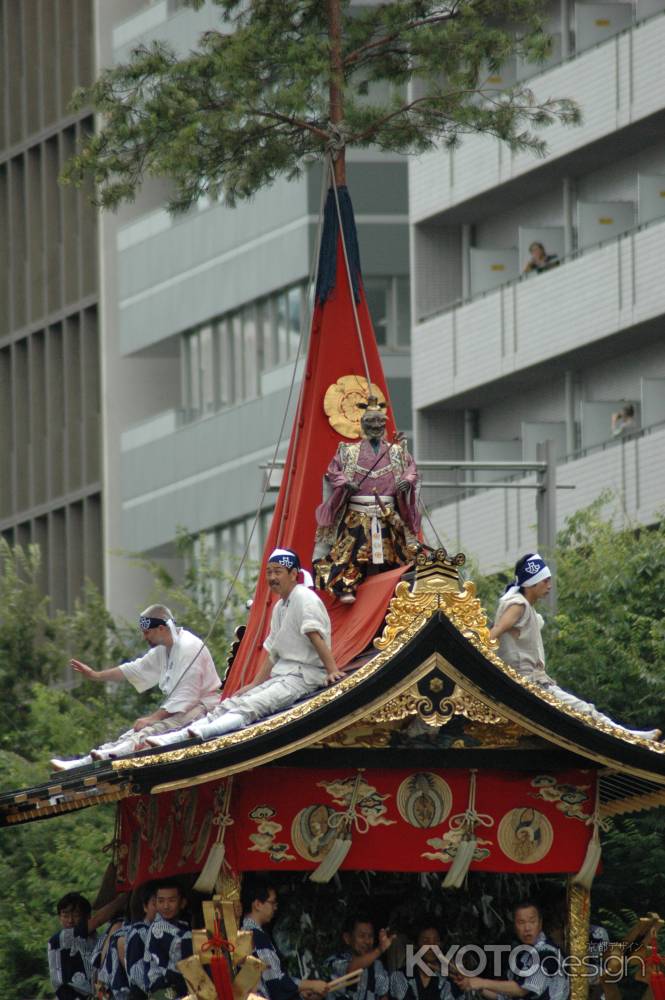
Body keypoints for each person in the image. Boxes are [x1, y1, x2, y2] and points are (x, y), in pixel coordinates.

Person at [147, 550, 343, 747]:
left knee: (254, 705)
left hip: (304, 676)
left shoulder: (303, 597)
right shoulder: (280, 606)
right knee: (231, 703)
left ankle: (203, 732)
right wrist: (255, 684)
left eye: (278, 572)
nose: (272, 577)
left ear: (293, 574)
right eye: (269, 572)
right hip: (284, 674)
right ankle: (176, 737)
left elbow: (315, 635)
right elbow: (274, 652)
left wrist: (331, 670)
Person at [490, 554, 661, 741]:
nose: (549, 585)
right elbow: (496, 630)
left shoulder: (524, 606)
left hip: (533, 682)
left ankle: (627, 735)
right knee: (583, 711)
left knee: (583, 711)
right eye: (545, 581)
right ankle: (630, 737)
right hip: (529, 684)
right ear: (532, 583)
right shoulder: (518, 605)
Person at [50, 604, 221, 770]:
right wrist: (96, 675)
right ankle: (90, 760)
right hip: (182, 708)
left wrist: (153, 717)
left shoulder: (188, 646)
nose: (145, 637)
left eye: (147, 632)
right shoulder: (164, 649)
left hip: (202, 707)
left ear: (161, 628)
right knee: (134, 732)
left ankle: (113, 755)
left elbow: (186, 695)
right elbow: (136, 669)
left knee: (152, 729)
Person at [314, 397, 420, 604]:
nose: (375, 426)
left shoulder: (397, 451)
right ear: (361, 423)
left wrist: (407, 481)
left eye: (380, 422)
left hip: (387, 513)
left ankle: (396, 586)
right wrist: (345, 483)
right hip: (357, 513)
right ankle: (346, 585)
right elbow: (333, 472)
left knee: (395, 553)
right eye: (370, 422)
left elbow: (412, 470)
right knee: (352, 552)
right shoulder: (347, 452)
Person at [452, 900, 568, 1000]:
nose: (527, 928)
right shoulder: (522, 954)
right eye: (521, 922)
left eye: (532, 921)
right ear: (514, 925)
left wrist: (481, 982)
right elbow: (505, 996)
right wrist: (473, 985)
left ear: (540, 923)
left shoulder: (548, 953)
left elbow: (521, 990)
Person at [241, 877, 328, 1000]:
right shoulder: (256, 937)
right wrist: (312, 985)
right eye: (272, 902)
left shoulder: (246, 932)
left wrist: (300, 989)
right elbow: (275, 981)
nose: (275, 907)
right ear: (258, 904)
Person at [47, 891, 127, 1000]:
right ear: (59, 917)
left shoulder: (99, 941)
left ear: (87, 916)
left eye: (75, 915)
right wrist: (126, 896)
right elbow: (98, 920)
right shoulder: (61, 938)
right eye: (65, 915)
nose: (70, 921)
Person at [127, 879, 192, 998]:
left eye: (172, 900)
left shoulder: (183, 926)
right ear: (155, 903)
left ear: (182, 903)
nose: (166, 906)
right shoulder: (157, 928)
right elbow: (186, 949)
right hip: (163, 993)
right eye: (161, 901)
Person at [325, 914, 393, 1000]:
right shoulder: (334, 961)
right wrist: (379, 950)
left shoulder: (377, 965)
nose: (367, 941)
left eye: (370, 936)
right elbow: (351, 971)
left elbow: (383, 995)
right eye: (362, 936)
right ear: (347, 938)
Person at [390, 925, 457, 1000]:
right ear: (416, 944)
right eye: (426, 941)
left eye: (436, 940)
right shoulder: (400, 976)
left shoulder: (448, 979)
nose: (431, 946)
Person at [125, 883, 158, 999]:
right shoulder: (138, 933)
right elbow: (137, 973)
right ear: (145, 906)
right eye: (155, 903)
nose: (162, 907)